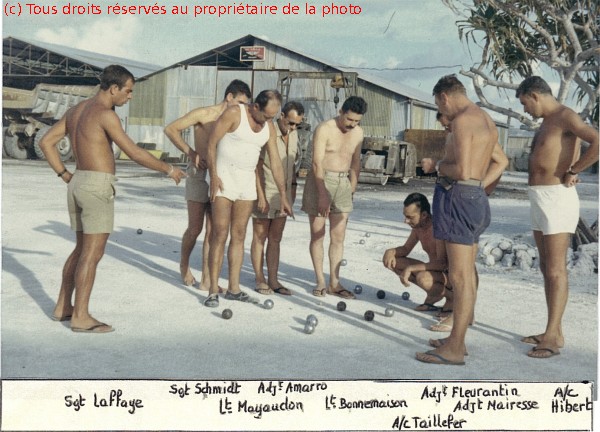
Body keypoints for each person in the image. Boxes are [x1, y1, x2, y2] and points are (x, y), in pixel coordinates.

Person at [39, 65, 185, 333]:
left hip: (78, 182)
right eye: (128, 91)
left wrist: (64, 174)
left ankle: (63, 307)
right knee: (92, 254)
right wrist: (169, 169)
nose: (129, 97)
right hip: (97, 186)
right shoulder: (106, 115)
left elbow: (46, 142)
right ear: (113, 88)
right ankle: (81, 316)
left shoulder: (76, 110)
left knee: (80, 249)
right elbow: (134, 152)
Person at [415, 75, 503, 366]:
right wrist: (479, 191)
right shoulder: (485, 119)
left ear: (444, 98)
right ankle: (457, 341)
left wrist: (435, 166)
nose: (443, 114)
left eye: (439, 105)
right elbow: (497, 162)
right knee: (465, 274)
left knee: (460, 276)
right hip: (471, 198)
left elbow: (463, 169)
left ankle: (454, 348)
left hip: (458, 198)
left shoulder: (464, 120)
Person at [516, 76, 599, 359]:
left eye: (524, 102)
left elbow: (597, 140)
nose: (525, 109)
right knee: (546, 268)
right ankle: (555, 331)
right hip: (539, 198)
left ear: (534, 94)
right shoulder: (547, 121)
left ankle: (552, 336)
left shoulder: (565, 116)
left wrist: (575, 169)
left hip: (556, 198)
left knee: (555, 269)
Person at [204, 90, 293, 307]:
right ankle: (213, 290)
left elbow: (275, 163)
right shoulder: (235, 114)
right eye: (266, 116)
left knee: (240, 234)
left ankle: (234, 289)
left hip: (246, 183)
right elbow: (211, 144)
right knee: (220, 233)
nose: (269, 121)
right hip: (224, 179)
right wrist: (214, 176)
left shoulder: (269, 126)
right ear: (255, 108)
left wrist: (283, 196)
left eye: (273, 117)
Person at [164, 80, 251, 289]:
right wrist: (191, 152)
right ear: (229, 97)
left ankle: (206, 280)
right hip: (199, 173)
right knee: (195, 228)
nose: (242, 108)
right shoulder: (204, 114)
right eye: (239, 102)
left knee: (214, 231)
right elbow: (171, 129)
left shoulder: (235, 121)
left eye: (245, 105)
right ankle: (184, 266)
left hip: (220, 174)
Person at [301, 96, 368, 299]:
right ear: (341, 111)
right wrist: (322, 194)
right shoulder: (325, 128)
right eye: (349, 119)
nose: (352, 124)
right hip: (320, 180)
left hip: (343, 182)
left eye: (357, 121)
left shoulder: (358, 133)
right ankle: (320, 280)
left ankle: (335, 283)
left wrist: (352, 190)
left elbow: (355, 163)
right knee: (318, 234)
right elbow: (316, 163)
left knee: (338, 237)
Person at [251, 101, 305, 295]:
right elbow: (256, 165)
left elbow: (292, 167)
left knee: (276, 239)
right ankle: (259, 279)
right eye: (290, 123)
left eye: (297, 125)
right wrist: (260, 194)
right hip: (265, 192)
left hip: (283, 195)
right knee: (260, 237)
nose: (293, 128)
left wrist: (292, 192)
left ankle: (273, 280)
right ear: (281, 116)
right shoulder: (267, 130)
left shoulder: (294, 134)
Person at [382, 192, 450, 312]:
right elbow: (406, 249)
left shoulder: (437, 228)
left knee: (422, 277)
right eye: (405, 216)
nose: (406, 221)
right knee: (393, 261)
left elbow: (442, 264)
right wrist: (391, 251)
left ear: (424, 214)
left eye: (410, 217)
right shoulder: (419, 227)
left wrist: (411, 268)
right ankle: (435, 294)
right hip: (435, 272)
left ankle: (452, 298)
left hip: (449, 276)